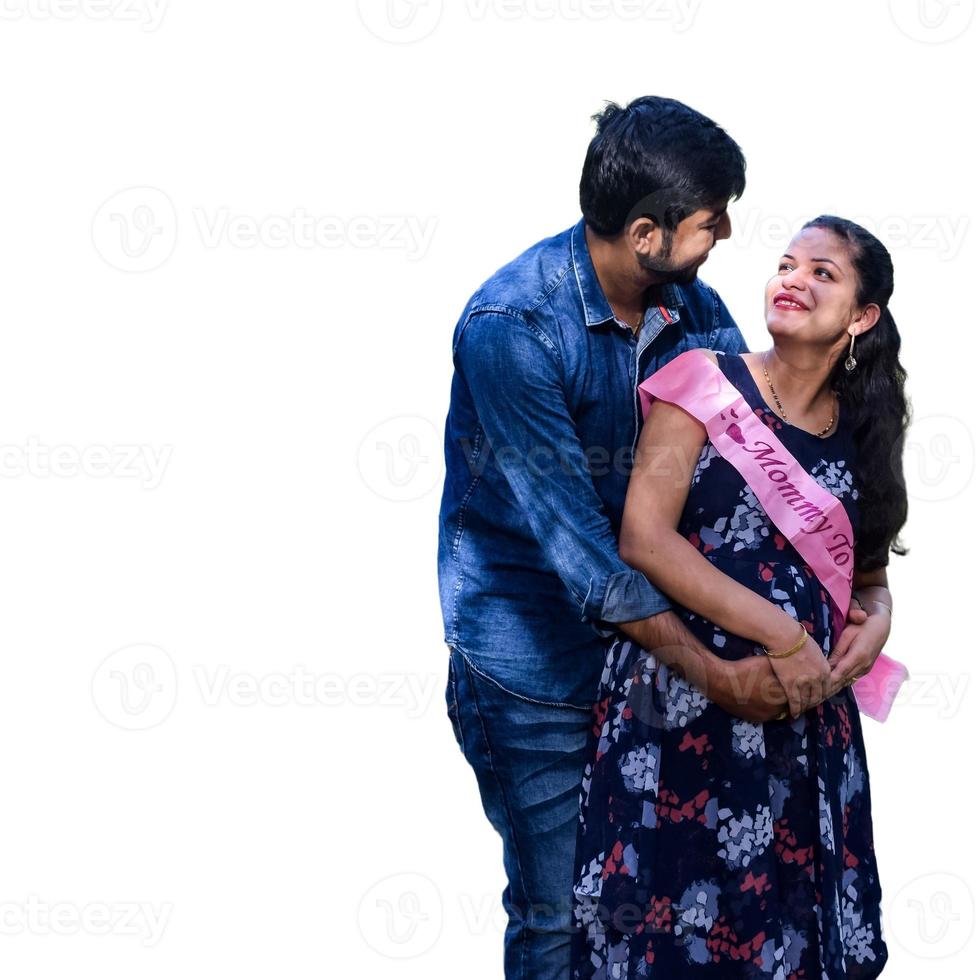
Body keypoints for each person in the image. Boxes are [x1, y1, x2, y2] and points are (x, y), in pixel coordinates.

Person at [437, 96, 885, 980]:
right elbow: (599, 566)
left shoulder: (689, 303)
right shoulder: (512, 331)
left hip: (659, 678)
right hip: (541, 670)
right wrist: (730, 671)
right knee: (565, 919)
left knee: (672, 924)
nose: (726, 233)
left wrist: (871, 599)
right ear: (647, 232)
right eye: (712, 220)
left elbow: (761, 462)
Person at [571, 216, 909, 978]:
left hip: (800, 734)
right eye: (787, 264)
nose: (793, 279)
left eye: (823, 273)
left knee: (782, 941)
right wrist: (784, 636)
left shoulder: (864, 432)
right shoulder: (701, 377)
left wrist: (879, 623)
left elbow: (870, 578)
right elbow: (644, 539)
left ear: (862, 317)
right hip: (674, 712)